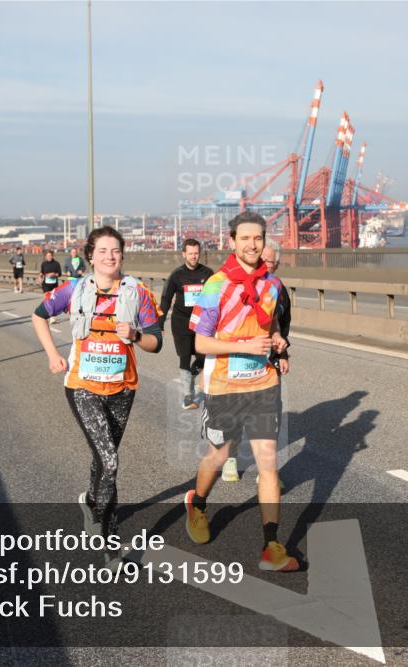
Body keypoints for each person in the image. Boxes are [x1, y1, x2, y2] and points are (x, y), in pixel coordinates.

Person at [31, 226, 162, 565]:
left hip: (122, 389)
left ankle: (92, 503)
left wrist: (134, 334)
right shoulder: (74, 289)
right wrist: (51, 355)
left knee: (103, 458)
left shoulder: (138, 292)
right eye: (102, 250)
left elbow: (156, 343)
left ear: (122, 255)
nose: (109, 256)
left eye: (115, 250)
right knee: (111, 461)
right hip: (82, 386)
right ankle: (110, 544)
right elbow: (39, 316)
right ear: (90, 255)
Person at [184, 212, 298, 572]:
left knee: (268, 461)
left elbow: (273, 324)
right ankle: (197, 504)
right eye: (245, 238)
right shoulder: (216, 285)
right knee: (218, 457)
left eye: (258, 238)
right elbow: (200, 343)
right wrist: (245, 348)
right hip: (223, 387)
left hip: (263, 384)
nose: (252, 245)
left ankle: (271, 547)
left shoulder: (272, 286)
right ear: (232, 241)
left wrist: (279, 342)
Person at [222, 238, 291, 483]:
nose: (267, 265)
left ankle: (266, 472)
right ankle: (230, 458)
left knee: (271, 415)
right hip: (238, 362)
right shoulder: (236, 286)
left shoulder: (278, 289)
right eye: (264, 260)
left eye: (272, 262)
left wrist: (282, 353)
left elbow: (283, 326)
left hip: (268, 364)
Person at [159, 239, 213, 410]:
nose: (193, 257)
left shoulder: (208, 273)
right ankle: (187, 395)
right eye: (190, 253)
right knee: (184, 356)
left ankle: (194, 370)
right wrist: (159, 324)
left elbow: (216, 297)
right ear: (183, 254)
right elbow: (166, 299)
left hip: (202, 323)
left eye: (196, 253)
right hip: (181, 322)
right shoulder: (177, 275)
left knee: (203, 357)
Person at [39, 249, 62, 321]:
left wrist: (53, 274)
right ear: (45, 257)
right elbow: (42, 273)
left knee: (53, 300)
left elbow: (59, 274)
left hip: (54, 284)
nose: (49, 257)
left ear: (52, 256)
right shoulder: (44, 264)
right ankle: (47, 314)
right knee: (47, 299)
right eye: (47, 256)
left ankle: (52, 316)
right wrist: (39, 277)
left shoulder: (56, 263)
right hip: (46, 284)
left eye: (50, 255)